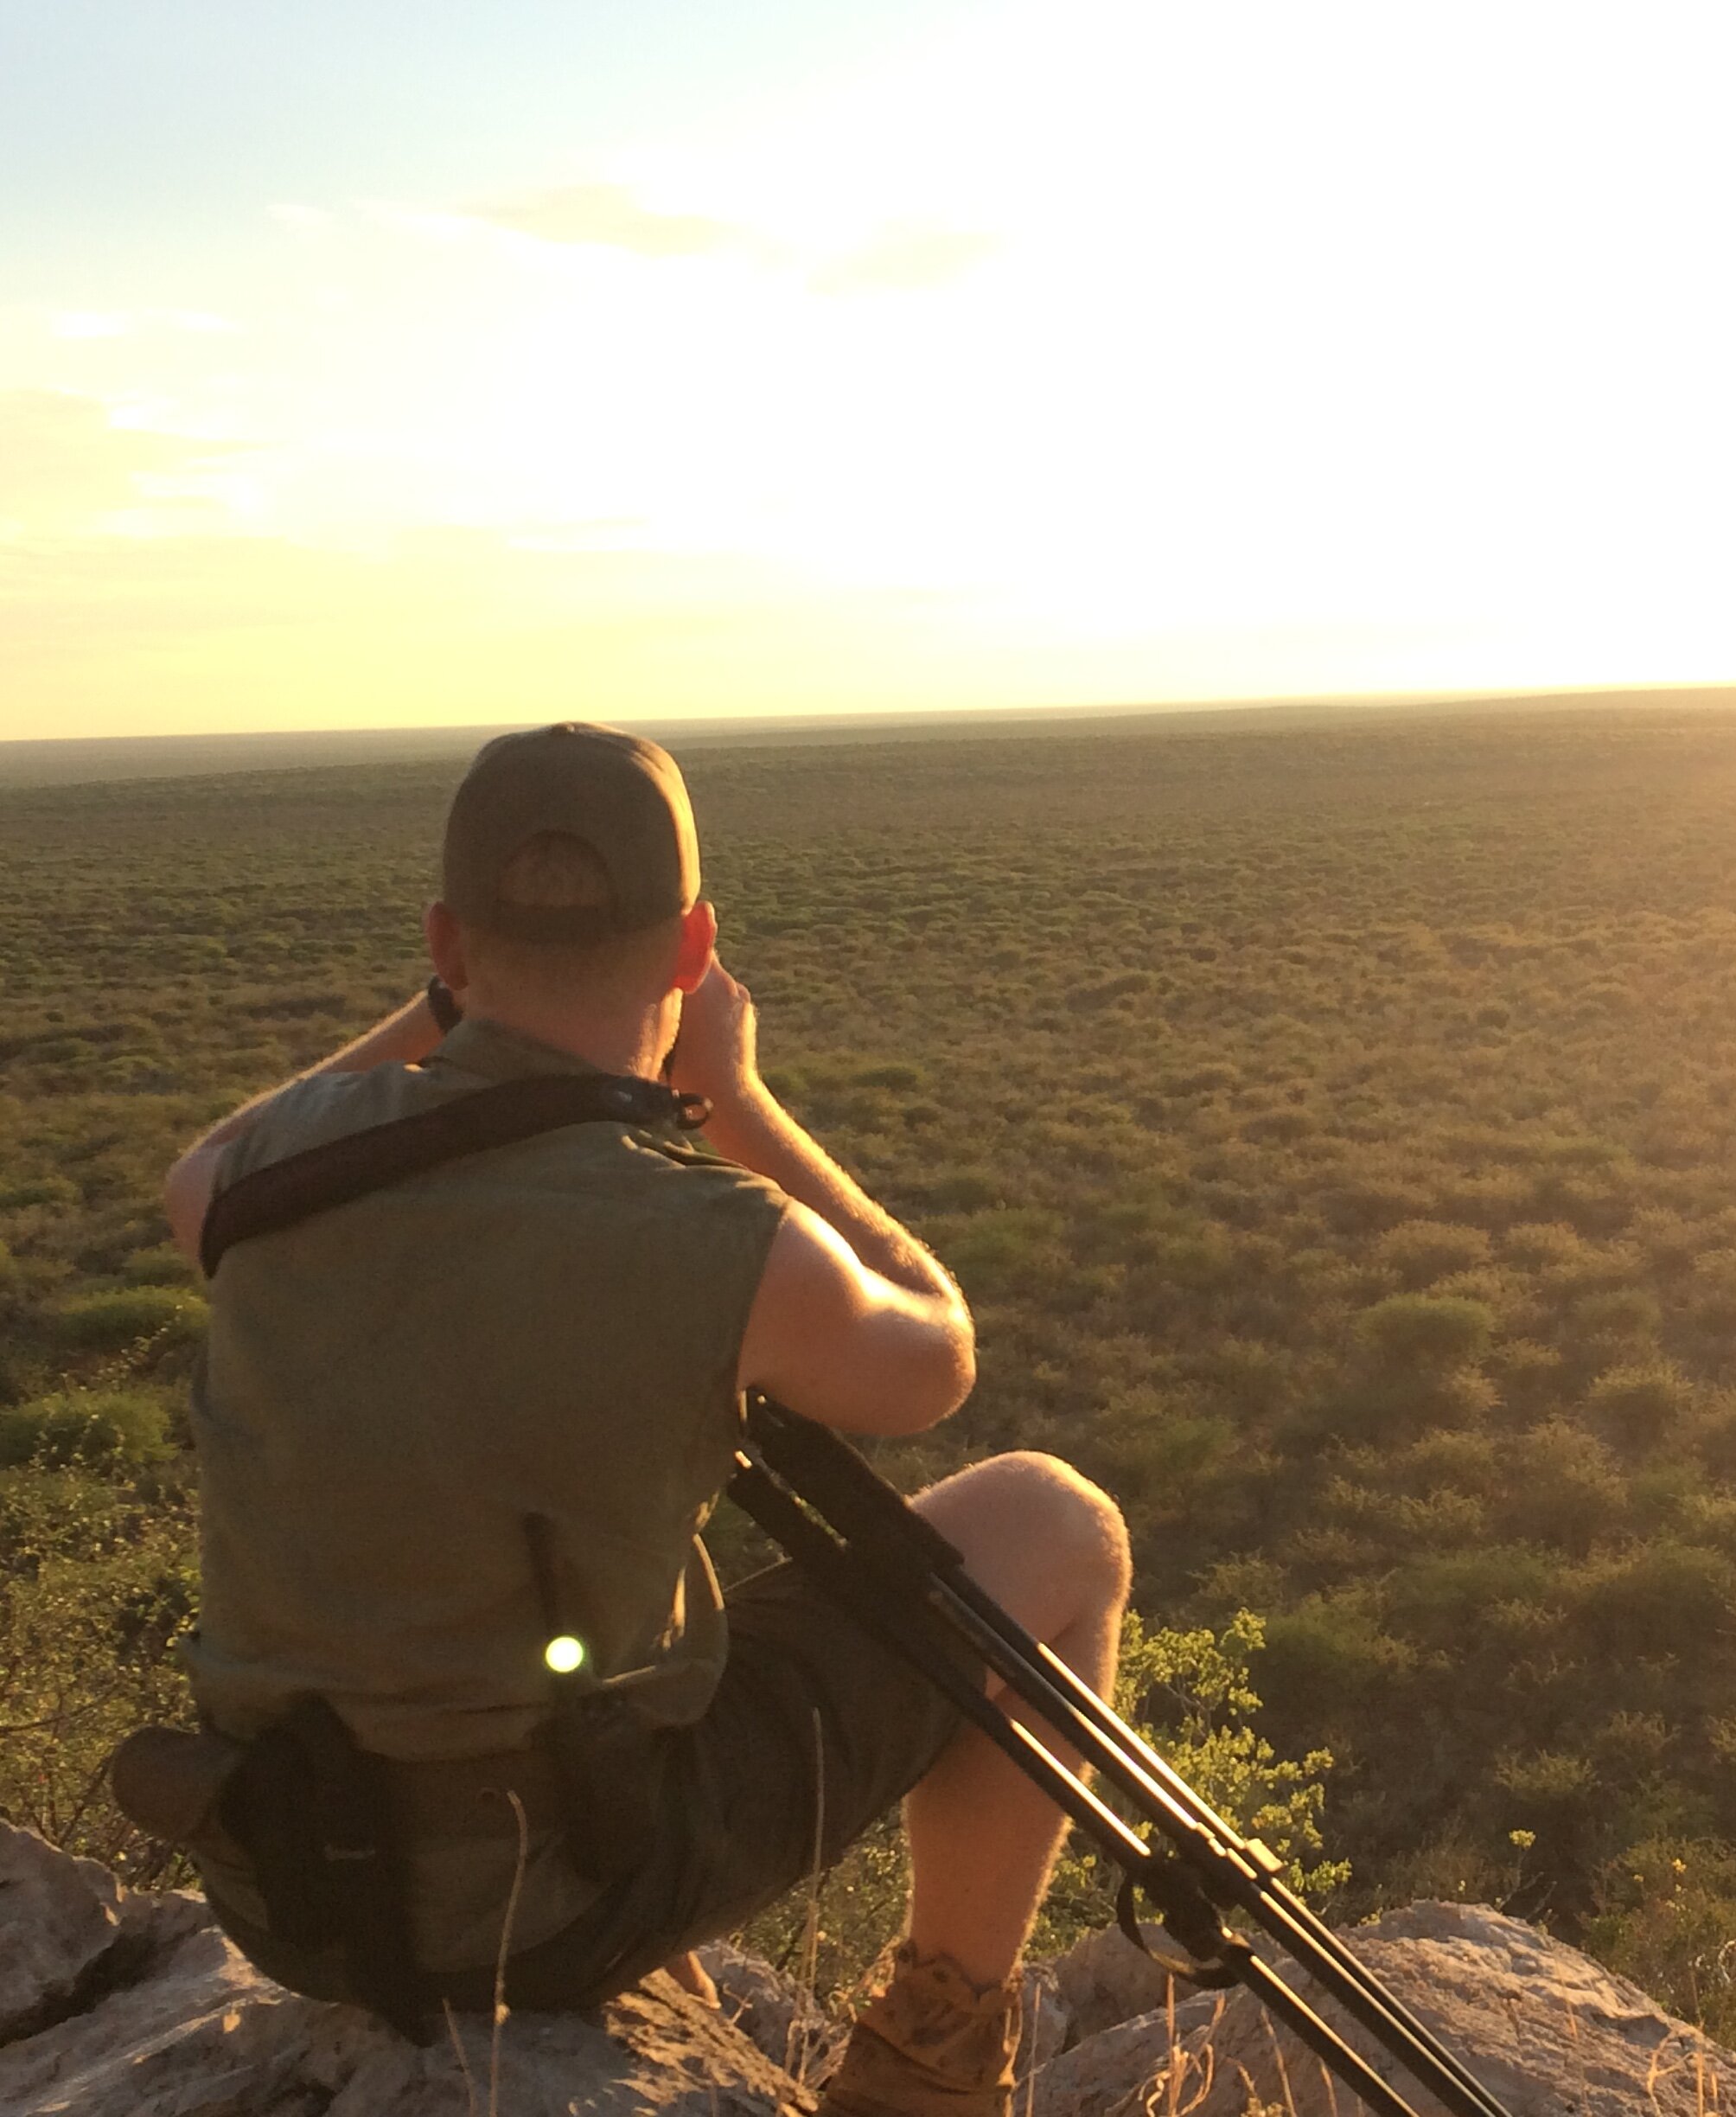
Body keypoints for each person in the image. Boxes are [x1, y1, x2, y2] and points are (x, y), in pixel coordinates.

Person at [156, 721, 1129, 2117]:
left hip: (281, 1888)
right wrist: (734, 1098)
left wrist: (454, 1009)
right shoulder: (718, 1236)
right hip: (548, 1905)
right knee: (1052, 1521)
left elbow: (195, 1174)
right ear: (692, 948)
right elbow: (933, 1359)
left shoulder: (264, 1175)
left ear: (444, 936)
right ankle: (928, 2064)